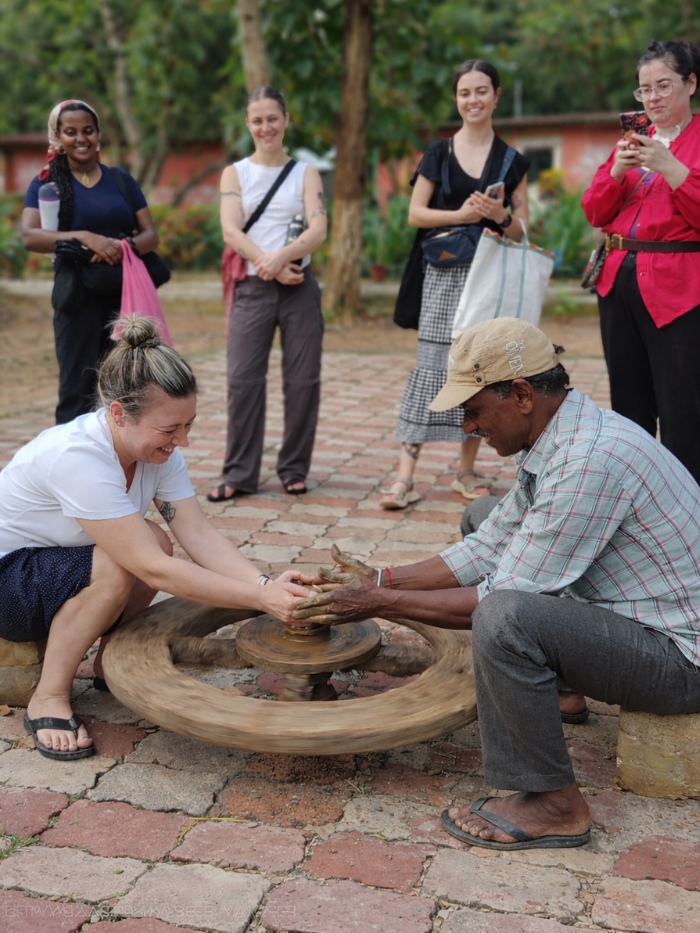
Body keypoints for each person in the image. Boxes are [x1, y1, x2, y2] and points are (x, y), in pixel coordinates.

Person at [293, 318, 700, 851]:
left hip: (679, 659)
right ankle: (561, 691)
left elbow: (497, 596)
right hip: (635, 618)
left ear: (522, 395)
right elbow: (490, 544)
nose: (467, 428)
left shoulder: (588, 462)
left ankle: (554, 803)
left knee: (504, 619)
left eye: (473, 411)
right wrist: (381, 578)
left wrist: (379, 602)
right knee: (482, 515)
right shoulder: (564, 433)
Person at [0, 317, 313, 761]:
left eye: (188, 425)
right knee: (127, 558)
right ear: (118, 415)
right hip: (7, 582)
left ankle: (111, 660)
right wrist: (259, 602)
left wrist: (265, 586)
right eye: (169, 430)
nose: (182, 440)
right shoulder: (77, 457)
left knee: (155, 540)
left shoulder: (156, 451)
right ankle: (48, 697)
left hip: (57, 564)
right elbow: (153, 570)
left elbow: (198, 534)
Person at [381, 60, 530, 509]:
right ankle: (404, 475)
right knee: (431, 368)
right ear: (456, 98)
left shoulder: (511, 160)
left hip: (488, 280)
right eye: (465, 92)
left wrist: (498, 216)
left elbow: (523, 229)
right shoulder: (438, 153)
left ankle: (465, 471)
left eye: (482, 91)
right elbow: (415, 214)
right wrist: (463, 215)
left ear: (497, 95)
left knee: (478, 372)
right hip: (441, 277)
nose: (473, 100)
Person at [582, 39, 700, 484]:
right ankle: (635, 504)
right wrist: (615, 173)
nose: (653, 98)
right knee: (628, 406)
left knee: (682, 406)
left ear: (690, 84)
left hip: (680, 290)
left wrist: (673, 169)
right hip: (618, 283)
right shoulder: (631, 143)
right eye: (644, 89)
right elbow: (595, 211)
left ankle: (688, 512)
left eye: (663, 85)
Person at [208, 86, 327, 502]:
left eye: (272, 118)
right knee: (242, 381)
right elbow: (230, 229)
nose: (266, 127)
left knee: (302, 382)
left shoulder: (304, 173)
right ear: (248, 124)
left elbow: (318, 228)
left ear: (286, 119)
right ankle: (239, 473)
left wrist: (283, 258)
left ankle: (294, 469)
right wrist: (267, 263)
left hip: (300, 288)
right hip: (253, 289)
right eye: (257, 120)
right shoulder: (235, 173)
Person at [21, 100, 161, 425]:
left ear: (98, 134)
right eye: (71, 132)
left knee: (125, 388)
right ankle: (72, 468)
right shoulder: (47, 183)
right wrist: (84, 236)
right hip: (77, 299)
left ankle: (118, 466)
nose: (81, 138)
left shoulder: (120, 179)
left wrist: (121, 246)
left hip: (125, 297)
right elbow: (30, 236)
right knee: (77, 390)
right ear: (58, 136)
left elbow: (150, 235)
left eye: (88, 130)